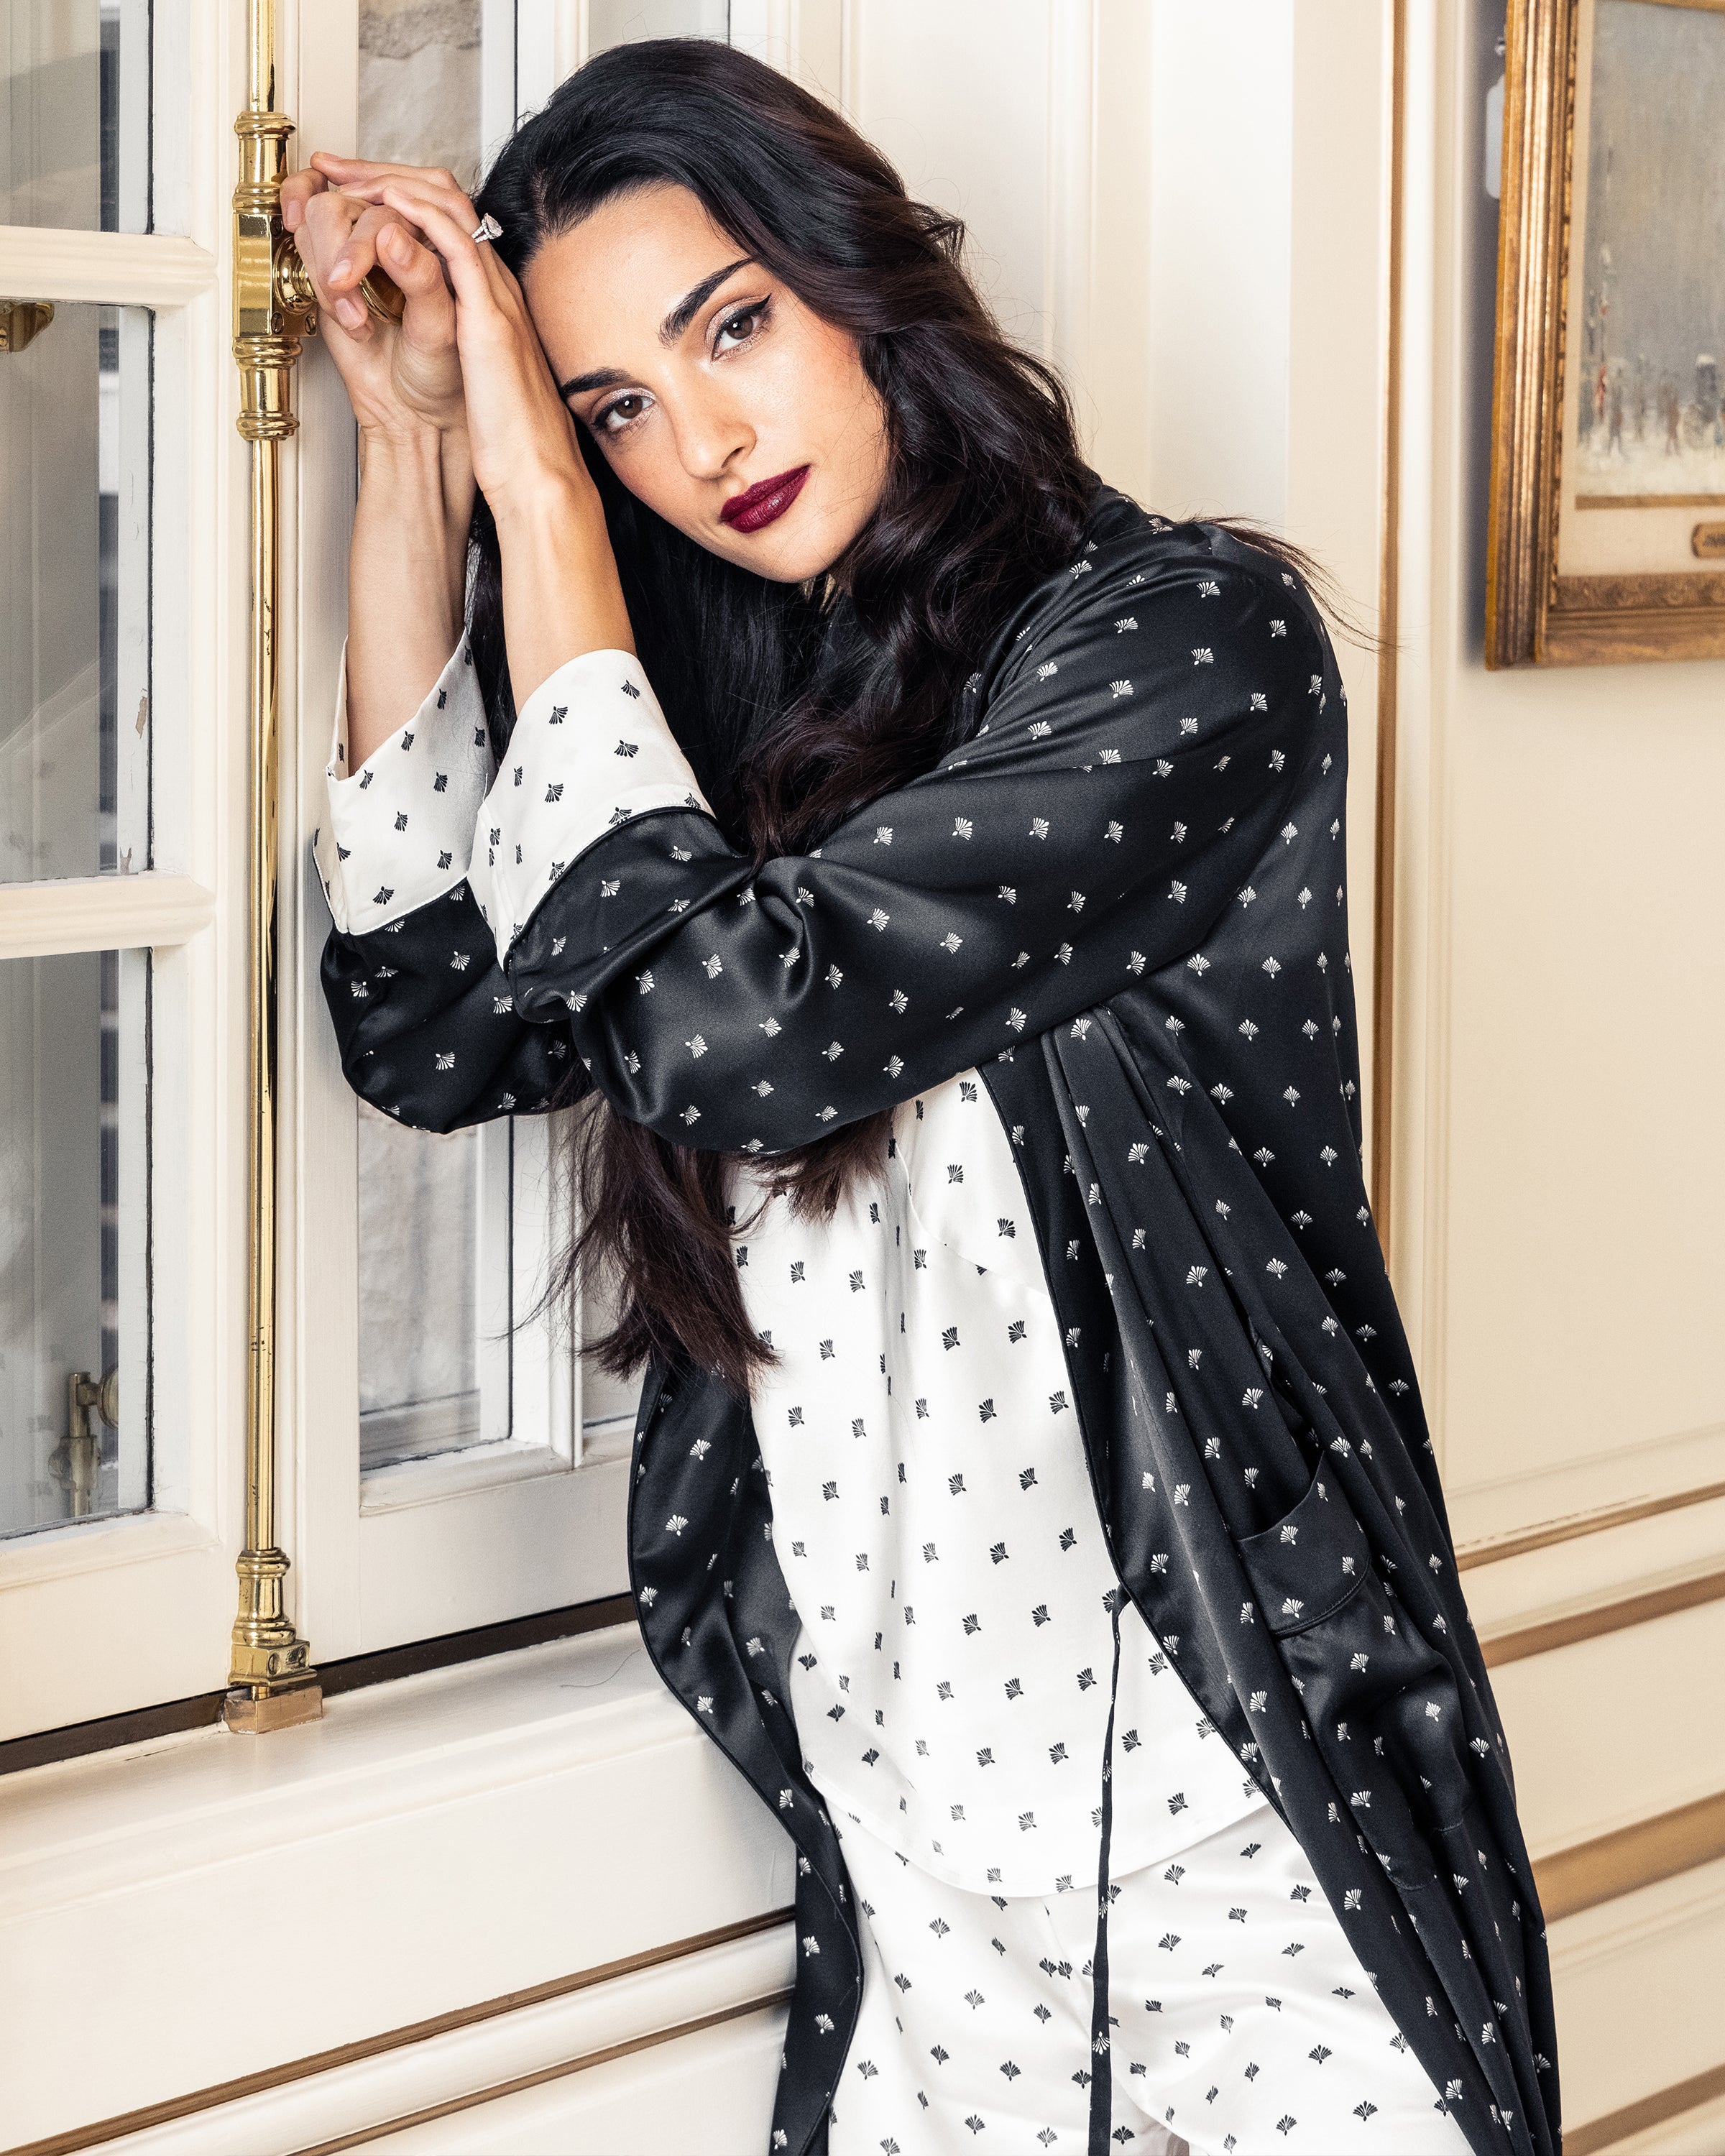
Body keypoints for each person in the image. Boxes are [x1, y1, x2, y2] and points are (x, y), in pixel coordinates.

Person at [288, 38, 1558, 2156]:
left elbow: (736, 1032)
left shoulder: (1188, 645)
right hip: (928, 1926)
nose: (695, 440)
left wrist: (541, 492)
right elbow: (427, 1023)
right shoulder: (732, 752)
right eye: (609, 408)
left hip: (1259, 1880)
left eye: (734, 328)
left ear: (862, 282)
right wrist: (420, 464)